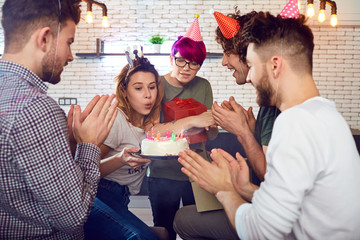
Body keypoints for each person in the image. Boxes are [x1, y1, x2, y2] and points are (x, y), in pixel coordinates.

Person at [178, 11, 360, 239]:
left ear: (275, 65)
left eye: (252, 65)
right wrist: (245, 189)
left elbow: (260, 232)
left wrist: (224, 189)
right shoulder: (325, 114)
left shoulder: (295, 123)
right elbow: (302, 209)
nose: (251, 77)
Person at [0, 0, 118, 239]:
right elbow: (73, 218)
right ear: (44, 39)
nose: (71, 56)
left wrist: (71, 145)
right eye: (69, 42)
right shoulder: (35, 108)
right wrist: (89, 145)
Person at [173, 10, 280, 240]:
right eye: (181, 60)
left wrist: (242, 132)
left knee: (183, 219)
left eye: (228, 53)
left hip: (272, 216)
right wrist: (250, 131)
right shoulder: (271, 105)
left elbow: (267, 177)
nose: (223, 62)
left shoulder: (277, 104)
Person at [146, 15, 218, 240]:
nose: (186, 68)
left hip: (197, 171)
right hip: (162, 173)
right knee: (164, 229)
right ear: (171, 58)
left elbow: (211, 134)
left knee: (199, 230)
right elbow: (151, 131)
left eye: (194, 63)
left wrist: (215, 123)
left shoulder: (203, 85)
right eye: (181, 60)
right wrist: (191, 121)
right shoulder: (156, 84)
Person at [84, 51, 163, 240]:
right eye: (138, 88)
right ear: (125, 92)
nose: (147, 95)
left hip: (121, 198)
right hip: (96, 195)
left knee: (157, 234)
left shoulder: (151, 125)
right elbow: (85, 171)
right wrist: (121, 160)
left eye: (152, 87)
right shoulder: (117, 120)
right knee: (142, 237)